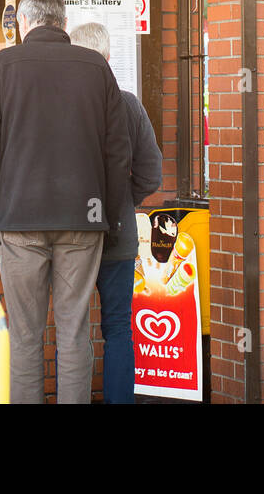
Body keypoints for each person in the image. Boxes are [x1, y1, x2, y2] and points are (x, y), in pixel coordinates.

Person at [0, 0, 132, 404]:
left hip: (20, 221)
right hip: (84, 220)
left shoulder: (3, 65)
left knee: (24, 335)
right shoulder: (95, 67)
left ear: (23, 23)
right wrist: (108, 218)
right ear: (63, 24)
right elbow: (118, 154)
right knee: (74, 331)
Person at [70, 20, 163, 404]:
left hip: (69, 231)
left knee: (71, 328)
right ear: (110, 56)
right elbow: (151, 172)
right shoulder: (127, 103)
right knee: (119, 328)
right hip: (118, 229)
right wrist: (126, 199)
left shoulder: (60, 104)